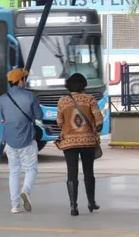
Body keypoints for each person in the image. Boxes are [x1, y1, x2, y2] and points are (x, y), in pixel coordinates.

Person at [55, 73, 103, 216]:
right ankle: (91, 202)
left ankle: (73, 207)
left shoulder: (62, 101)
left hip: (69, 142)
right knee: (89, 172)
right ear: (84, 85)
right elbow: (99, 119)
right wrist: (94, 128)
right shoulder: (90, 99)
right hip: (88, 141)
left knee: (72, 172)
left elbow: (59, 122)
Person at [0, 68, 43, 214]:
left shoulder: (3, 98)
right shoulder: (30, 96)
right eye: (24, 79)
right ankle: (26, 190)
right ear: (20, 81)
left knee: (14, 171)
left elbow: (4, 117)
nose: (25, 81)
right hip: (27, 139)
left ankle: (15, 206)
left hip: (10, 140)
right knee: (31, 169)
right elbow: (39, 115)